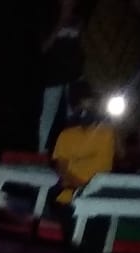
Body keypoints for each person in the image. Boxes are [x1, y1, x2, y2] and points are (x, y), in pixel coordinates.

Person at [50, 82, 116, 209]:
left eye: (91, 105)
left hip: (100, 195)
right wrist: (82, 187)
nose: (86, 110)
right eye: (82, 106)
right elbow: (62, 169)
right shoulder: (66, 135)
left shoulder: (107, 132)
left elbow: (121, 153)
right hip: (72, 195)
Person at [38, 0, 86, 152]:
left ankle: (72, 150)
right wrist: (59, 25)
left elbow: (83, 47)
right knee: (48, 114)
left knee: (74, 114)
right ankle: (41, 150)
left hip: (74, 75)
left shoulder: (79, 21)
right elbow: (44, 48)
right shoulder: (50, 20)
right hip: (54, 74)